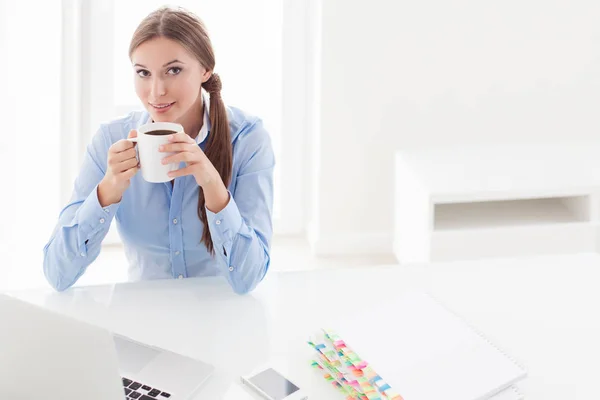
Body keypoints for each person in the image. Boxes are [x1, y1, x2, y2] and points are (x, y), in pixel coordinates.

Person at [43, 6, 275, 294]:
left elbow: (249, 277)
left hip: (221, 321)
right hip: (141, 322)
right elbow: (57, 272)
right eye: (143, 73)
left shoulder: (247, 139)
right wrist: (107, 191)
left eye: (173, 70)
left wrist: (213, 186)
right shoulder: (111, 140)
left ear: (205, 69)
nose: (156, 92)